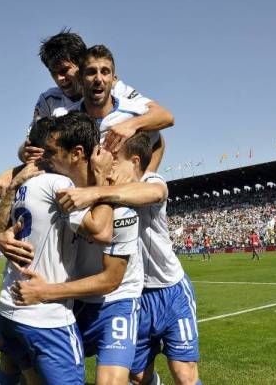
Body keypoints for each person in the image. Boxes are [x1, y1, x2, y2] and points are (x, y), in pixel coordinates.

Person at [37, 133, 201, 384]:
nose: (109, 163)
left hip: (170, 290)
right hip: (137, 295)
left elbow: (154, 192)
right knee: (137, 375)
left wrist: (98, 192)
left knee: (184, 373)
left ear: (135, 162)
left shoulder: (150, 180)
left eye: (116, 159)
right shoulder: (108, 189)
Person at [0, 113, 115, 384]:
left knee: (13, 375)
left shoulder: (23, 183)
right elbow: (103, 231)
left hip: (8, 308)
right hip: (46, 316)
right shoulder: (59, 184)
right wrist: (104, 181)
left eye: (51, 151)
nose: (48, 158)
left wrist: (11, 182)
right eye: (47, 151)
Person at [0, 30, 174, 197]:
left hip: (108, 185)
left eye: (64, 71)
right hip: (72, 183)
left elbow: (162, 121)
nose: (60, 79)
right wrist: (17, 165)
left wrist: (142, 174)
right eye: (53, 73)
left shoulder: (114, 88)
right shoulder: (48, 101)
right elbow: (30, 148)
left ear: (80, 65)